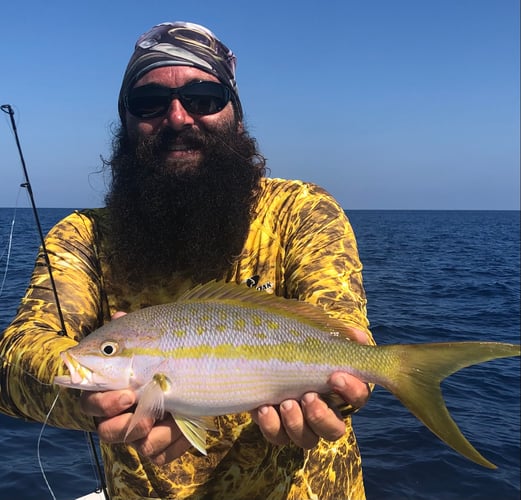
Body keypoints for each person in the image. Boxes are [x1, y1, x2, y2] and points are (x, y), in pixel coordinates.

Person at [0, 21, 375, 499]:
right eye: (149, 102)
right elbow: (12, 361)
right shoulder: (82, 237)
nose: (178, 117)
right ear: (126, 122)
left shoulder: (301, 212)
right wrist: (101, 399)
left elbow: (342, 337)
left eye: (203, 98)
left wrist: (338, 398)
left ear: (236, 115)